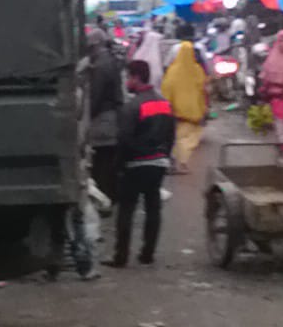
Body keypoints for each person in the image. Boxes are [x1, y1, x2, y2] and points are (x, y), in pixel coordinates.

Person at [107, 60, 175, 267]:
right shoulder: (164, 104)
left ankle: (121, 257)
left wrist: (118, 166)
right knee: (153, 208)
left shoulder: (132, 107)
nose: (126, 82)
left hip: (135, 165)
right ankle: (147, 254)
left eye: (128, 77)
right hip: (158, 163)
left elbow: (124, 140)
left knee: (126, 210)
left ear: (136, 77)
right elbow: (171, 136)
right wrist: (164, 156)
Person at [86, 28, 124, 208]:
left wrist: (86, 117)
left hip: (103, 120)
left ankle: (105, 199)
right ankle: (112, 196)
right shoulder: (110, 60)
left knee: (101, 163)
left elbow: (96, 96)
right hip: (111, 117)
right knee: (108, 161)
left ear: (94, 45)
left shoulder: (101, 65)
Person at [162, 41, 210, 173]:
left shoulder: (172, 71)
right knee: (190, 137)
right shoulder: (198, 70)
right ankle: (181, 163)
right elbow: (203, 89)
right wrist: (204, 106)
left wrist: (167, 106)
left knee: (178, 137)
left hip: (176, 111)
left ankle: (177, 163)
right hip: (194, 111)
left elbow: (167, 89)